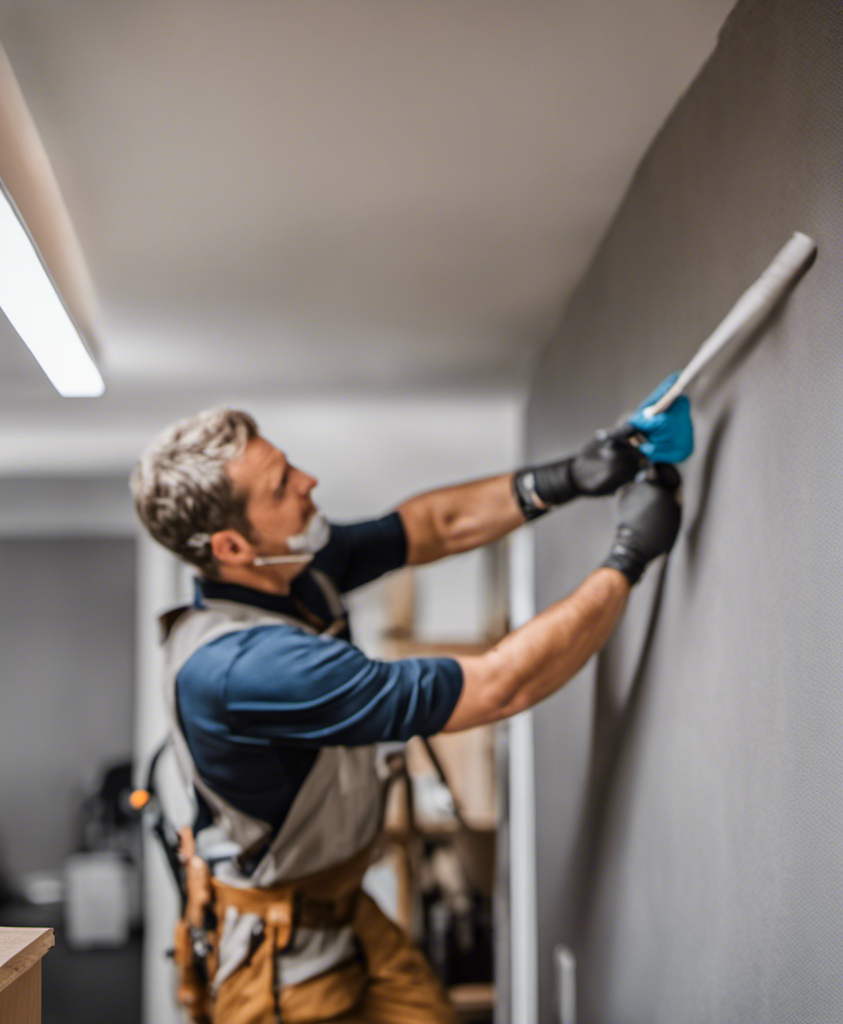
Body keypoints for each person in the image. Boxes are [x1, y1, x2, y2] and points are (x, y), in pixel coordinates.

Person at [130, 388, 690, 1024]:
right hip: (281, 964)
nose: (310, 482)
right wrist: (628, 557)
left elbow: (429, 527)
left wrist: (568, 478)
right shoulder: (249, 669)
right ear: (231, 547)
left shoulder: (292, 571)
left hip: (342, 911)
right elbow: (503, 685)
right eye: (283, 485)